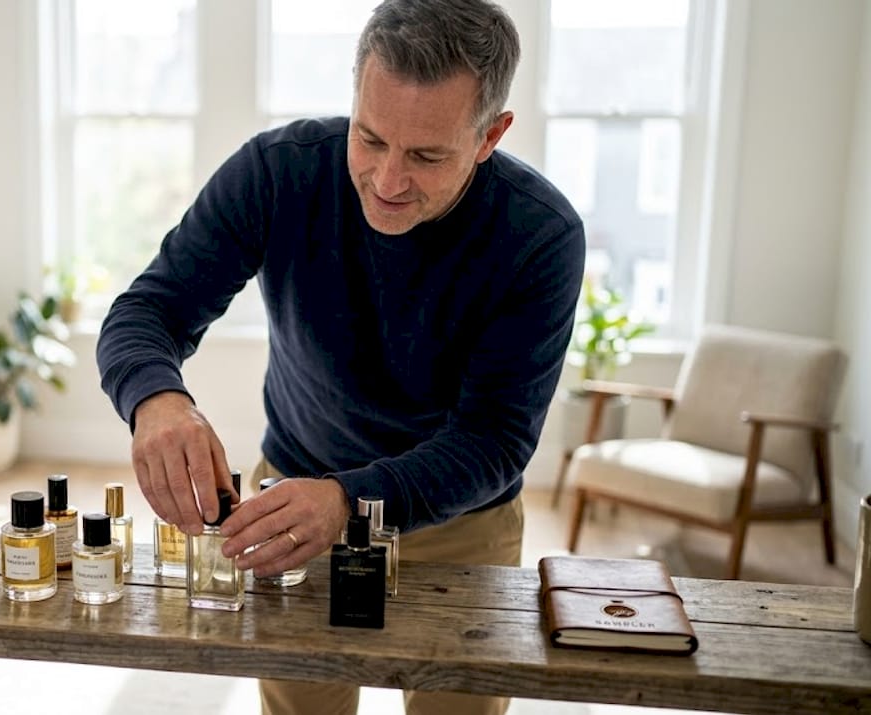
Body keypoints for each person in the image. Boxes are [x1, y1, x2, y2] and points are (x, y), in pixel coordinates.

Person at [97, 0, 584, 712]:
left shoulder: (540, 236)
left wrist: (350, 498)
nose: (387, 181)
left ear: (490, 136)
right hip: (292, 501)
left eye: (426, 155)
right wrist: (155, 399)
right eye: (370, 137)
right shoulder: (275, 173)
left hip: (459, 523)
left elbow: (495, 441)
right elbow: (149, 309)